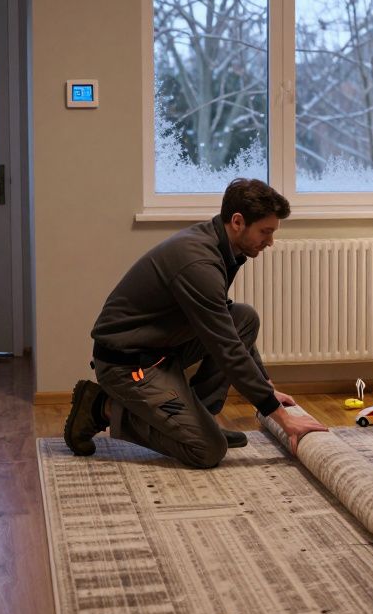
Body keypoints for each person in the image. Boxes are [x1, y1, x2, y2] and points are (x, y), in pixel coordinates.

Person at [63, 178, 327, 468]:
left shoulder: (222, 247)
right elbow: (226, 348)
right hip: (128, 365)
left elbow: (228, 326)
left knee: (244, 317)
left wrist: (265, 385)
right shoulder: (197, 262)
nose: (270, 242)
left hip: (162, 349)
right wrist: (280, 416)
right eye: (265, 232)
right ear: (238, 222)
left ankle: (199, 418)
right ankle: (103, 407)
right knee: (208, 450)